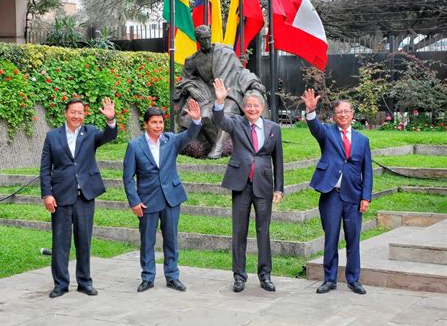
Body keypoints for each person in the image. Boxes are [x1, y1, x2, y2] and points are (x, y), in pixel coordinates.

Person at [40, 97, 117, 298]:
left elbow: (109, 136)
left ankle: (84, 282)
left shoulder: (90, 132)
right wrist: (47, 194)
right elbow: (45, 168)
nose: (77, 116)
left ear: (84, 115)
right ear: (66, 113)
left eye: (80, 112)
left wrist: (110, 120)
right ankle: (60, 284)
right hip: (61, 195)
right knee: (60, 242)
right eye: (73, 112)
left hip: (85, 195)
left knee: (84, 241)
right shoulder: (52, 136)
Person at [212, 78, 284, 293]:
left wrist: (279, 188)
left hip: (263, 185)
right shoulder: (236, 122)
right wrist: (219, 101)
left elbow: (278, 160)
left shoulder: (274, 128)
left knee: (263, 231)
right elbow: (219, 120)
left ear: (262, 108)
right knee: (239, 231)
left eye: (256, 105)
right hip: (241, 184)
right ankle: (239, 276)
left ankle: (265, 275)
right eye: (248, 105)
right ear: (244, 107)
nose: (252, 109)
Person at [123, 100, 201, 293]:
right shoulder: (135, 146)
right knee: (147, 240)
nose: (158, 126)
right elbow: (127, 177)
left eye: (160, 122)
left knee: (171, 239)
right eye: (154, 123)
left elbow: (191, 134)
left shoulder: (171, 140)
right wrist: (134, 201)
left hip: (171, 198)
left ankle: (172, 276)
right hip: (147, 201)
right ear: (146, 124)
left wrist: (196, 119)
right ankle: (147, 277)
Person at [301, 88, 373, 295]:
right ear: (334, 116)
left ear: (352, 115)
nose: (343, 115)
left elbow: (367, 171)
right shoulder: (327, 133)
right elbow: (314, 127)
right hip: (331, 194)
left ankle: (353, 279)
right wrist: (311, 110)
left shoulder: (362, 140)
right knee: (331, 238)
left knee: (353, 239)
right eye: (339, 112)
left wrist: (365, 197)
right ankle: (329, 279)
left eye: (346, 111)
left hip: (353, 196)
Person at [174, 25, 266, 159]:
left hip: (228, 91)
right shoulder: (193, 60)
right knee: (204, 116)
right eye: (203, 39)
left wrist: (252, 82)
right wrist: (190, 87)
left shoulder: (224, 52)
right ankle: (217, 144)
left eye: (208, 38)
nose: (206, 42)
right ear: (198, 40)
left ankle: (217, 148)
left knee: (227, 112)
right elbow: (184, 80)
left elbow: (240, 71)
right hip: (207, 96)